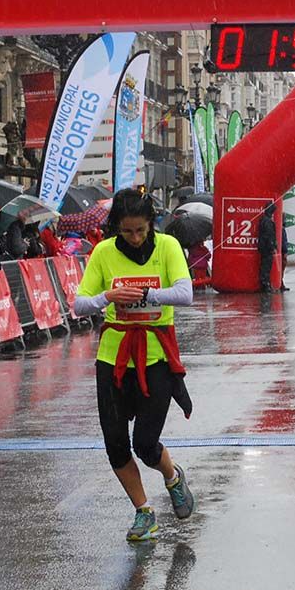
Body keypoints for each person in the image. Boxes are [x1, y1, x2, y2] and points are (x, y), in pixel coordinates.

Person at [72, 188, 195, 542]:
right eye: (127, 232)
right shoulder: (103, 252)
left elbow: (185, 293)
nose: (136, 238)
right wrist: (107, 297)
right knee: (115, 443)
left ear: (151, 224)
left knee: (144, 443)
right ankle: (144, 512)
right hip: (113, 356)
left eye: (141, 230)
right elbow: (80, 305)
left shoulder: (168, 246)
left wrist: (148, 294)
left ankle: (172, 476)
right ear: (117, 229)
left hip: (156, 355)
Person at [257, 202, 277, 293]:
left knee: (265, 265)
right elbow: (269, 235)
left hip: (263, 247)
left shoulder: (263, 220)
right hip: (267, 248)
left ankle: (265, 283)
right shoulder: (268, 221)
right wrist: (272, 246)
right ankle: (265, 284)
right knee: (266, 266)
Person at [279, 224, 290, 292]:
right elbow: (284, 241)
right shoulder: (282, 229)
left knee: (281, 269)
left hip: (280, 251)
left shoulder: (279, 228)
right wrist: (285, 251)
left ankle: (280, 283)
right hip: (282, 252)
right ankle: (280, 283)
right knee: (282, 268)